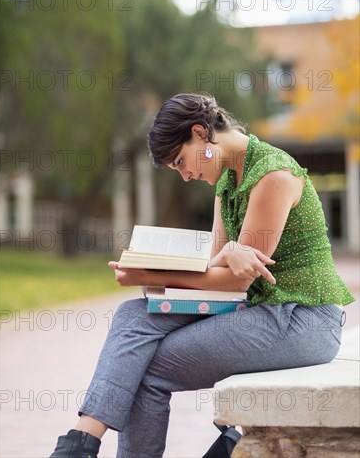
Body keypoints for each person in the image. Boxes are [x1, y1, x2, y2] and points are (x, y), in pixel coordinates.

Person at [50, 93, 354, 458]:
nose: (185, 175)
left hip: (302, 320)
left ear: (200, 133)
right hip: (257, 310)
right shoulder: (227, 182)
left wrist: (152, 273)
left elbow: (236, 280)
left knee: (146, 366)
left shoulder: (273, 174)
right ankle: (82, 440)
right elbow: (216, 268)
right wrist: (157, 276)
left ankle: (80, 446)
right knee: (131, 314)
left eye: (181, 160)